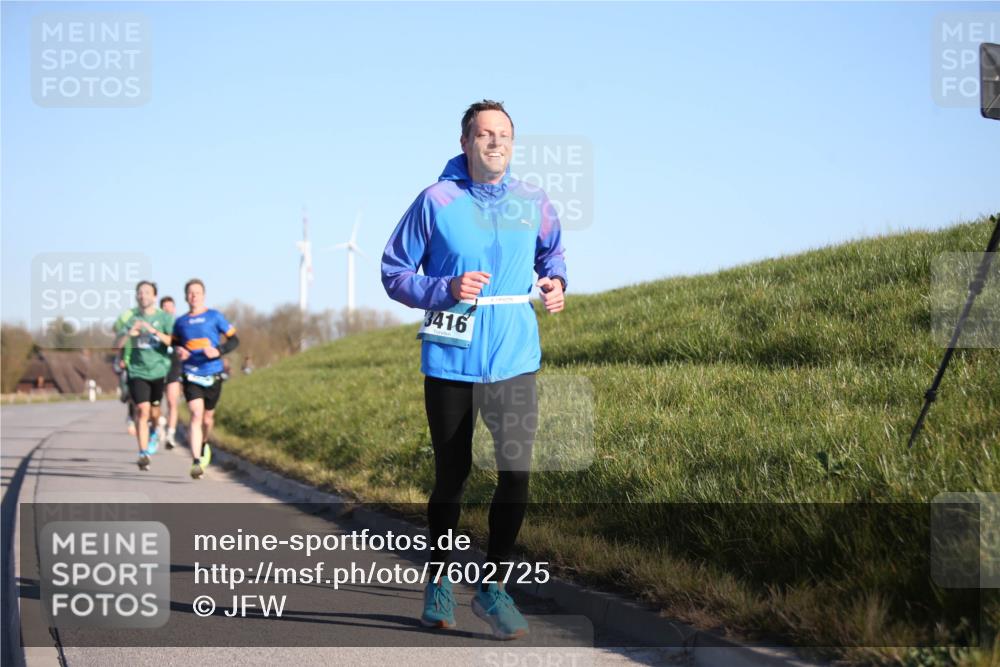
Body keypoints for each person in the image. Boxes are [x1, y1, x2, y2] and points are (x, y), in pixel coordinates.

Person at [381, 100, 566, 639]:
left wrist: (555, 283)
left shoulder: (534, 200)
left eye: (503, 134)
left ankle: (494, 584)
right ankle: (439, 579)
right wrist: (443, 289)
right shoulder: (435, 200)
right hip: (450, 357)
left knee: (517, 474)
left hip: (513, 353)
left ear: (513, 142)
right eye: (483, 134)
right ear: (465, 142)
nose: (494, 142)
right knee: (452, 476)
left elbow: (551, 255)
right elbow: (394, 270)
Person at [172, 278, 239, 479]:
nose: (193, 296)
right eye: (190, 293)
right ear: (185, 297)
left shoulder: (215, 317)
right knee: (195, 414)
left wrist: (218, 350)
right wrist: (179, 351)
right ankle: (196, 462)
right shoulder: (180, 322)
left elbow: (235, 340)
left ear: (204, 295)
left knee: (208, 419)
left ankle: (204, 442)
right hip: (191, 373)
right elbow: (173, 346)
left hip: (213, 372)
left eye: (197, 293)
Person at [113, 281, 174, 470]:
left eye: (147, 292)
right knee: (142, 410)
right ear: (136, 296)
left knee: (155, 412)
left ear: (154, 296)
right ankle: (143, 453)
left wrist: (153, 330)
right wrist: (130, 334)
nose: (143, 295)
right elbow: (117, 344)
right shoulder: (131, 318)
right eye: (140, 292)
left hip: (158, 370)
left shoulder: (164, 318)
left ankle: (155, 430)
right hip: (137, 371)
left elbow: (172, 341)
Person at [159, 296, 183, 449]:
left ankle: (171, 434)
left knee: (172, 401)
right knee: (156, 403)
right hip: (158, 365)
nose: (167, 310)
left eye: (170, 307)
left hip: (174, 365)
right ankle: (159, 424)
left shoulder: (180, 325)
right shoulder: (156, 326)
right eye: (164, 307)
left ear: (174, 309)